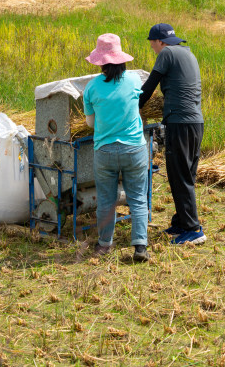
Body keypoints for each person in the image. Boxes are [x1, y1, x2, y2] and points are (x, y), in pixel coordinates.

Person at [83, 34, 150, 262]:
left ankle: (104, 244)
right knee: (138, 198)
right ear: (121, 59)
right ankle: (140, 246)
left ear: (100, 61)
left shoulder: (91, 88)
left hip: (105, 151)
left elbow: (91, 124)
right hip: (134, 150)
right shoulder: (133, 81)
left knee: (106, 200)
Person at [139, 23, 206, 246]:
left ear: (160, 41)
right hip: (196, 122)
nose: (152, 48)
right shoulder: (188, 54)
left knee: (179, 175)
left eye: (152, 44)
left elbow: (148, 87)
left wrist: (131, 107)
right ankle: (180, 222)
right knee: (186, 174)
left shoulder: (166, 53)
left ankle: (193, 229)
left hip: (180, 122)